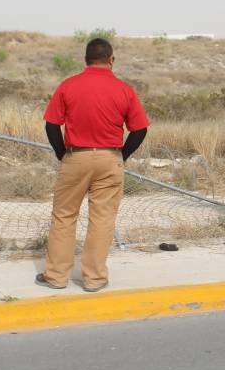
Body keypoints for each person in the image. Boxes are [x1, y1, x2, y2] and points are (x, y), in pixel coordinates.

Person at [38, 38, 149, 292]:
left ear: (85, 59)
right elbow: (140, 129)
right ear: (111, 59)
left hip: (76, 156)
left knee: (64, 216)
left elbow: (52, 125)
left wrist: (62, 154)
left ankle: (56, 277)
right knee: (102, 218)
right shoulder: (124, 89)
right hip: (110, 158)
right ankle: (94, 278)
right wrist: (122, 154)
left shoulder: (68, 86)